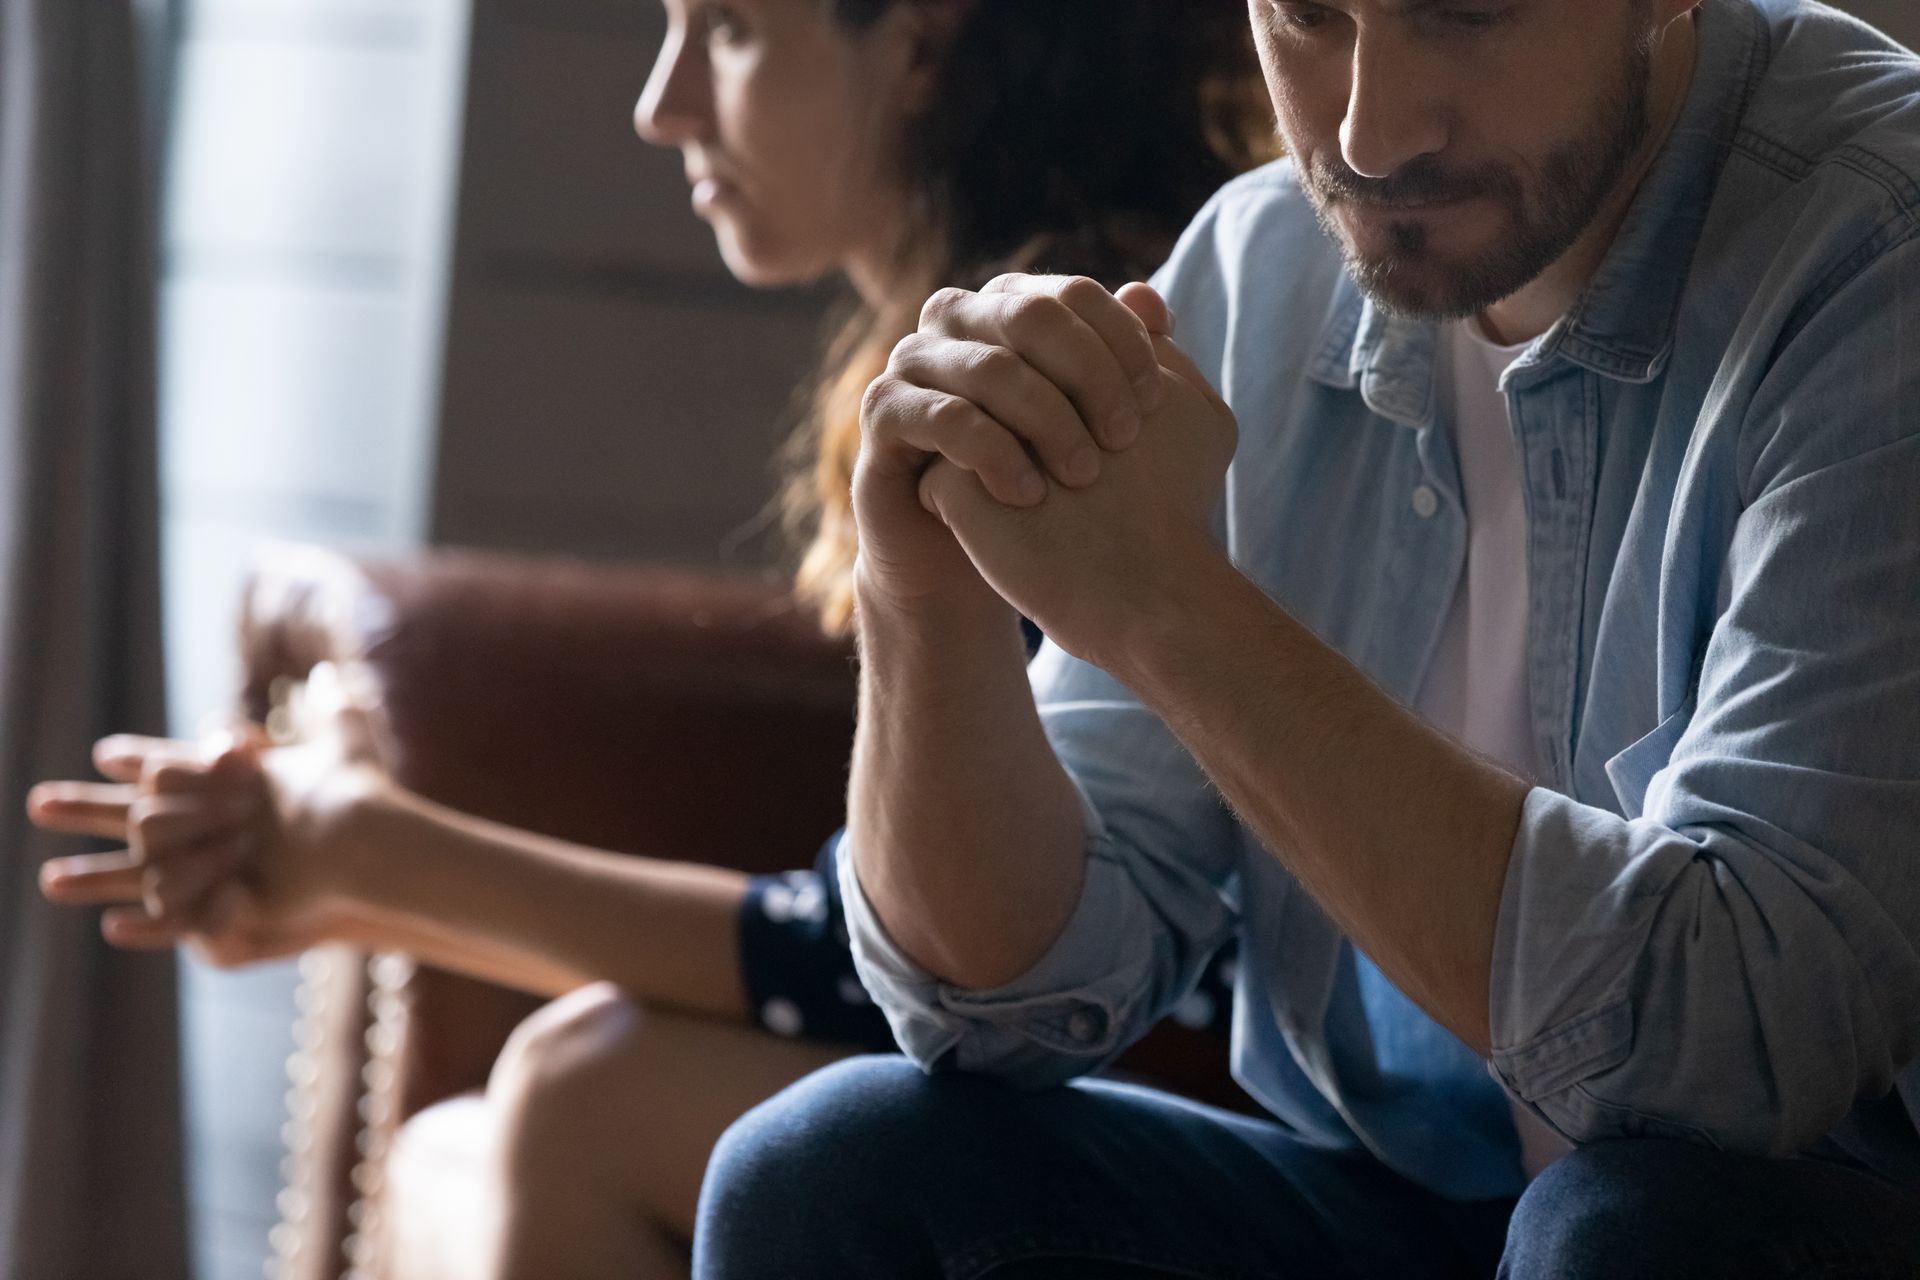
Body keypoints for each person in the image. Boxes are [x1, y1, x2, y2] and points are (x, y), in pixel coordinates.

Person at [23, 2, 1270, 1277]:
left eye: (726, 29)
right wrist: (341, 869)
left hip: (1199, 1106)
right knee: (459, 1161)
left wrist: (370, 857)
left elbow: (899, 964)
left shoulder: (1073, 369)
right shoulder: (961, 348)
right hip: (1068, 1067)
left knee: (587, 1090)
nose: (661, 106)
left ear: (920, 41)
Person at [687, 0, 1920, 1276]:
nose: (1370, 132)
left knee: (1634, 1233)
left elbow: (1739, 1056)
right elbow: (997, 999)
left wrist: (1175, 611)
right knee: (836, 1166)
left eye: (1467, 13)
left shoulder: (1882, 246)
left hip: (1804, 1213)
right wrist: (920, 588)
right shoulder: (1263, 265)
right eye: (1310, 16)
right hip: (1427, 1201)